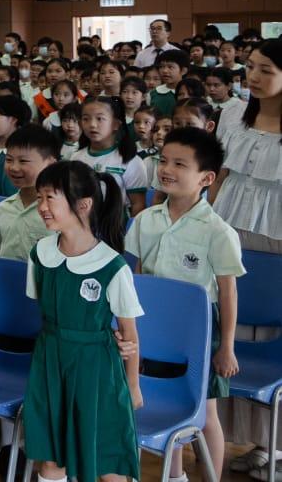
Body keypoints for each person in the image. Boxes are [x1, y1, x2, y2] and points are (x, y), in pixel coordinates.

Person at [128, 127, 243, 482]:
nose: (166, 169)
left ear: (206, 178)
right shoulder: (145, 220)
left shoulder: (218, 231)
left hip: (198, 333)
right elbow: (138, 276)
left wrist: (226, 347)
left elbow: (227, 292)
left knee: (204, 414)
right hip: (152, 328)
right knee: (166, 405)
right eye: (163, 160)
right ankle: (174, 476)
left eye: (180, 164)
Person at [21, 160, 143, 482]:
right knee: (51, 458)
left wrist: (132, 385)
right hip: (49, 362)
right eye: (39, 197)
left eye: (50, 198)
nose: (41, 206)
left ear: (83, 205)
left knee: (105, 461)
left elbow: (129, 334)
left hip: (96, 370)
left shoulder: (112, 266)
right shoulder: (40, 253)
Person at [211, 38, 282, 475]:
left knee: (274, 337)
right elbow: (218, 176)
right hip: (231, 231)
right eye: (250, 67)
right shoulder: (234, 114)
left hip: (277, 238)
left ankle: (277, 444)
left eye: (266, 70)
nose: (253, 77)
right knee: (238, 333)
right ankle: (257, 440)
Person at [0, 126, 59, 260]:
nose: (14, 167)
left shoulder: (60, 212)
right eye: (9, 159)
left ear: (50, 164)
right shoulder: (3, 208)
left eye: (23, 161)